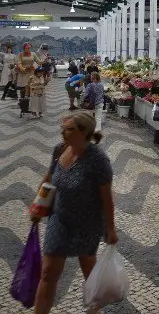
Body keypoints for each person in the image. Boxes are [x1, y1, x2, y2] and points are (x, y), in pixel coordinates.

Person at [31, 111, 117, 314]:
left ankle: (95, 310)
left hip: (87, 225)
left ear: (83, 131)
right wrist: (38, 205)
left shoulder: (97, 159)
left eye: (68, 129)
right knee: (47, 273)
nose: (63, 132)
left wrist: (111, 229)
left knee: (89, 271)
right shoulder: (60, 149)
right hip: (59, 219)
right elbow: (49, 179)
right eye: (62, 128)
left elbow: (107, 198)